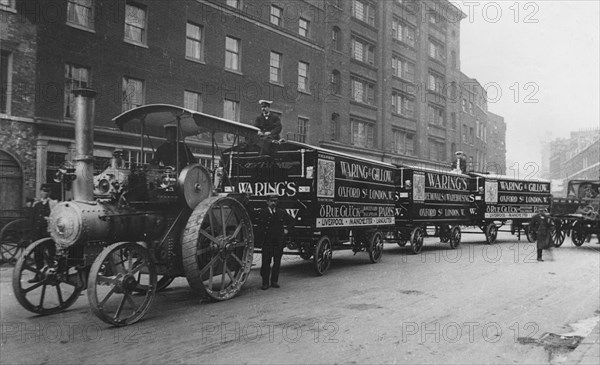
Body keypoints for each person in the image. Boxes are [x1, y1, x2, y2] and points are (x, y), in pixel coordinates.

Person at [257, 193, 295, 290]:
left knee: (277, 262)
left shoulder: (281, 212)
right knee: (266, 262)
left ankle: (274, 281)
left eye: (275, 201)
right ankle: (265, 283)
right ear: (267, 202)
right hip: (267, 242)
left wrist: (287, 230)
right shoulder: (263, 212)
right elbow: (259, 227)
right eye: (271, 201)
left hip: (278, 242)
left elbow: (292, 221)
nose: (273, 203)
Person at [29, 185, 58, 282]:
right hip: (37, 234)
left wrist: (49, 220)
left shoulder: (53, 204)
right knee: (38, 254)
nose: (45, 193)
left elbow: (56, 217)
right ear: (40, 192)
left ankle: (53, 273)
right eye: (43, 191)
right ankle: (38, 275)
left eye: (47, 191)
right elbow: (32, 220)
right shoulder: (36, 204)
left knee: (51, 253)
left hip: (47, 233)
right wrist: (32, 234)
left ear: (49, 193)